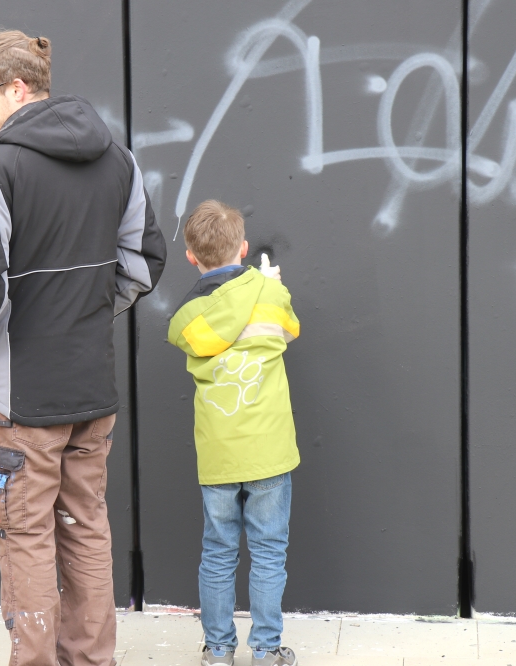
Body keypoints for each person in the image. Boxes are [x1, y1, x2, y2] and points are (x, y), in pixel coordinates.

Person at [0, 29, 166, 666]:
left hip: (24, 399)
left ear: (16, 89)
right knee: (86, 528)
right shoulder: (118, 160)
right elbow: (144, 261)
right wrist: (87, 314)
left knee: (27, 537)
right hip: (91, 386)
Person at [167, 201, 299, 666]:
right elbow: (289, 331)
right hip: (269, 451)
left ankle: (219, 650)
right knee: (268, 551)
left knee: (218, 552)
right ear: (243, 249)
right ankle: (266, 650)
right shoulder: (269, 294)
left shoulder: (189, 315)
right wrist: (270, 285)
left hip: (219, 455)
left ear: (191, 256)